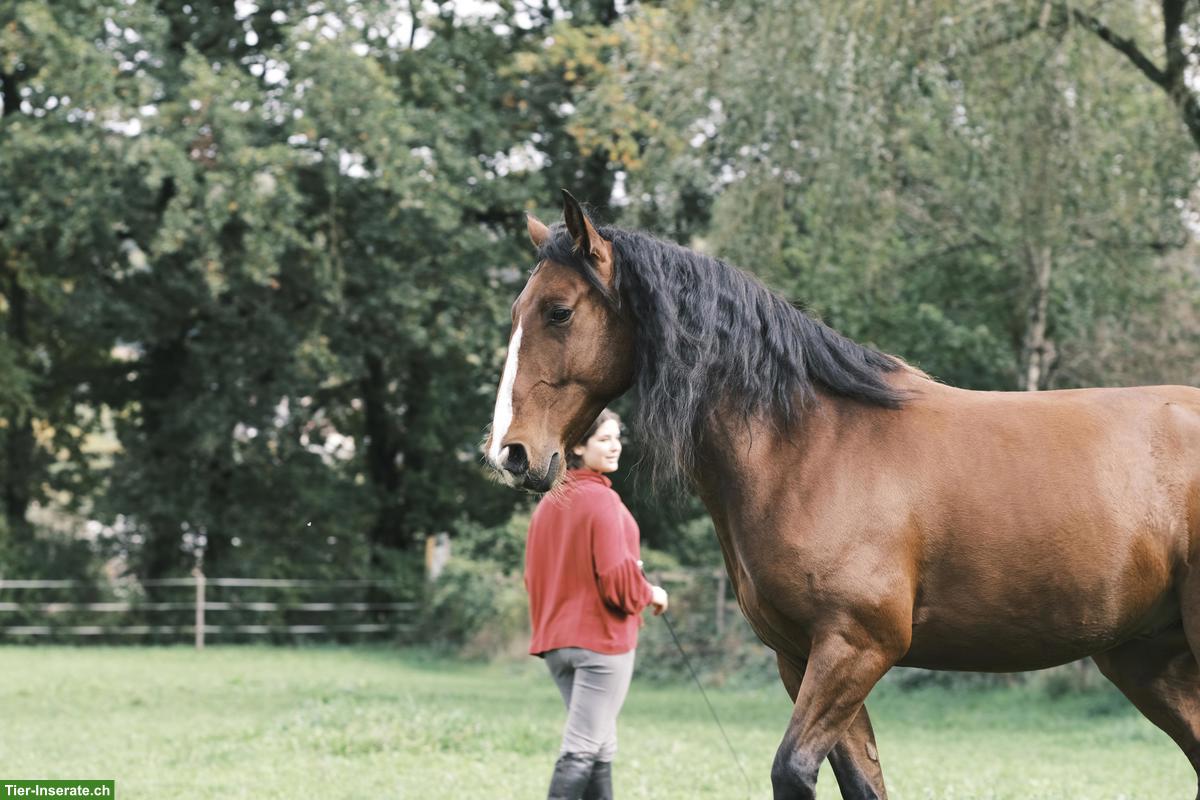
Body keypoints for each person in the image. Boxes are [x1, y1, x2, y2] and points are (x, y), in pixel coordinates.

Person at [524, 409, 669, 800]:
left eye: (617, 437)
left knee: (601, 744)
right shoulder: (602, 501)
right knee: (583, 746)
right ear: (576, 446)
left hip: (556, 646)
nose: (615, 445)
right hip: (600, 646)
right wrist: (650, 593)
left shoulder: (547, 506)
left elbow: (532, 579)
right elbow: (617, 578)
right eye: (604, 439)